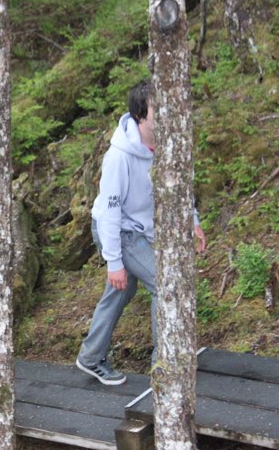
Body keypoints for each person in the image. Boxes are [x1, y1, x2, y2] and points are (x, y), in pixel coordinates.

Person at [76, 81, 206, 385]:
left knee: (122, 291)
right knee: (165, 283)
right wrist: (114, 262)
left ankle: (91, 356)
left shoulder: (169, 145)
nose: (165, 115)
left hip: (137, 229)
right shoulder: (119, 156)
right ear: (140, 116)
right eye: (157, 110)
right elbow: (109, 211)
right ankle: (166, 366)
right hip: (117, 230)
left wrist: (193, 221)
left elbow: (180, 188)